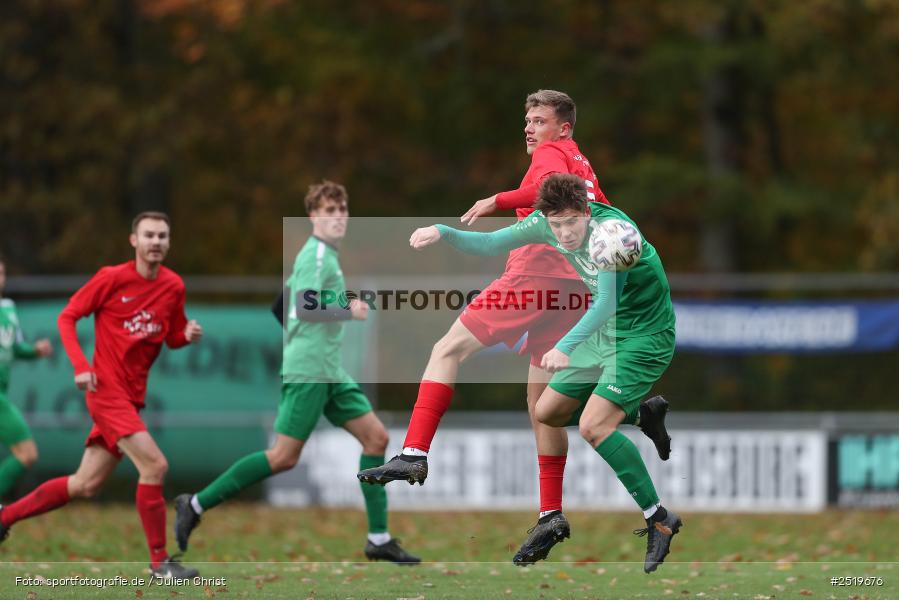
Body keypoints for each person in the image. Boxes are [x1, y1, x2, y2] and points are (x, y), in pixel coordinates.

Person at [358, 90, 671, 565]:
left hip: (537, 280)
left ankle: (415, 450)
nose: (530, 128)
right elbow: (541, 224)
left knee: (447, 350)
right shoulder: (578, 171)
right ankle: (553, 511)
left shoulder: (555, 163)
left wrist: (496, 199)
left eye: (539, 120)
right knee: (542, 407)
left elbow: (549, 204)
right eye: (526, 120)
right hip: (571, 293)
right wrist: (446, 232)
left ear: (563, 127)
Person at [400, 173, 683, 573]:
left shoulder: (614, 235)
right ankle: (642, 414)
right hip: (604, 330)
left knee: (593, 427)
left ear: (586, 211)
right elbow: (489, 243)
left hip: (643, 335)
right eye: (557, 225)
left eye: (572, 222)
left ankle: (658, 517)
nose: (565, 233)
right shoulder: (542, 223)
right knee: (546, 412)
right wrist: (442, 231)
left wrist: (564, 346)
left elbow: (605, 303)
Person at [173, 181, 419, 564]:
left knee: (375, 437)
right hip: (310, 370)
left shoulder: (319, 256)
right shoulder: (317, 255)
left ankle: (379, 538)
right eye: (328, 211)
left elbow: (280, 305)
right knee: (283, 457)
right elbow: (304, 307)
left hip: (328, 368)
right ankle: (196, 504)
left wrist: (317, 323)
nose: (337, 217)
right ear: (312, 217)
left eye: (342, 210)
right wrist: (345, 307)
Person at [0, 212, 203, 580]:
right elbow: (68, 316)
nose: (155, 242)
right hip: (106, 392)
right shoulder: (111, 278)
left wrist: (185, 335)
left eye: (162, 236)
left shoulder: (173, 286)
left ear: (169, 242)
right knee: (154, 466)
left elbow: (170, 336)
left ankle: (4, 517)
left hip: (132, 397)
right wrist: (80, 364)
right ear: (134, 241)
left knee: (85, 483)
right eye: (148, 235)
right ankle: (159, 564)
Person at [0, 257, 52, 498]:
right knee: (26, 453)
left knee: (26, 454)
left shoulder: (8, 308)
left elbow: (15, 347)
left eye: (1, 274)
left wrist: (34, 351)